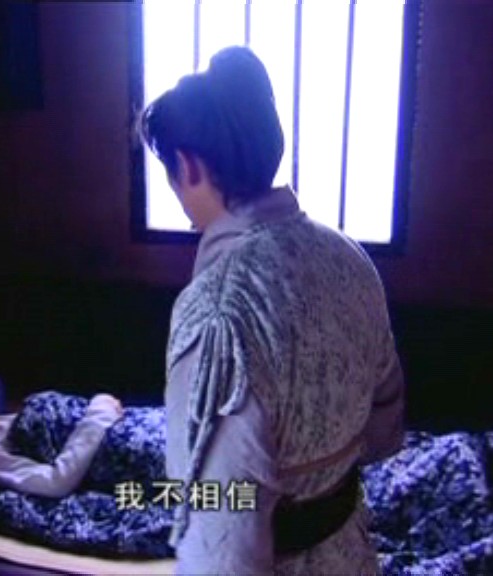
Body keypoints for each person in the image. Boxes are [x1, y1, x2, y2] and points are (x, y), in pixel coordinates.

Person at [139, 46, 405, 575]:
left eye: (170, 172)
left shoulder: (217, 310)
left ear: (188, 166)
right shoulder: (348, 256)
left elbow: (221, 535)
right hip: (349, 552)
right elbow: (384, 429)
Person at [0, 383, 124, 498]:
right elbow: (56, 482)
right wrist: (100, 413)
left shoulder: (15, 414)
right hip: (116, 450)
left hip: (119, 421)